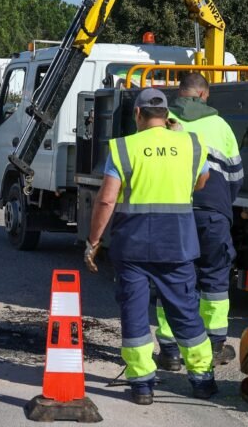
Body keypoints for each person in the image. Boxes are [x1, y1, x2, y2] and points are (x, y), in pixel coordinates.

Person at [85, 88, 217, 405]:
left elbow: (106, 199)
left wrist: (93, 242)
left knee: (133, 314)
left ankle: (142, 384)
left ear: (138, 114)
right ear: (167, 115)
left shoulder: (123, 148)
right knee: (185, 312)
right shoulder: (190, 143)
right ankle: (202, 379)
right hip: (177, 244)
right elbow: (201, 182)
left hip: (133, 247)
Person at [154, 72, 244, 370]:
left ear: (180, 94)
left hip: (173, 212)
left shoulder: (162, 121)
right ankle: (215, 346)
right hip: (212, 214)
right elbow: (235, 177)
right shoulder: (220, 126)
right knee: (215, 279)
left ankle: (170, 350)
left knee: (173, 278)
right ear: (204, 95)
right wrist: (220, 207)